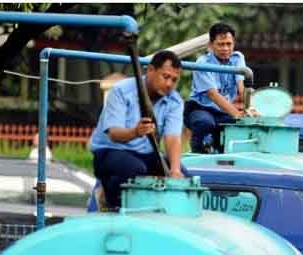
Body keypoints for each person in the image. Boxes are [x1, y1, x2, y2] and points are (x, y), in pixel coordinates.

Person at [91, 50, 185, 209]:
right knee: (134, 169)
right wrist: (135, 132)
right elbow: (114, 134)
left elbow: (173, 137)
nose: (169, 84)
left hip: (146, 155)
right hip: (110, 151)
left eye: (174, 80)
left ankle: (159, 211)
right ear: (150, 70)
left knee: (184, 175)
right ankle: (108, 199)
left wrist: (175, 171)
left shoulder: (175, 101)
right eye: (165, 77)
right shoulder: (121, 90)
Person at [184, 22, 247, 153]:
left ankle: (222, 151)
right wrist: (236, 113)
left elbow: (242, 87)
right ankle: (197, 151)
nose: (225, 48)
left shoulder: (237, 58)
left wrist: (251, 109)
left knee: (244, 125)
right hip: (199, 108)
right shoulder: (202, 63)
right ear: (211, 45)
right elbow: (212, 95)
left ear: (234, 44)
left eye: (229, 44)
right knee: (205, 123)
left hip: (222, 111)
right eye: (221, 44)